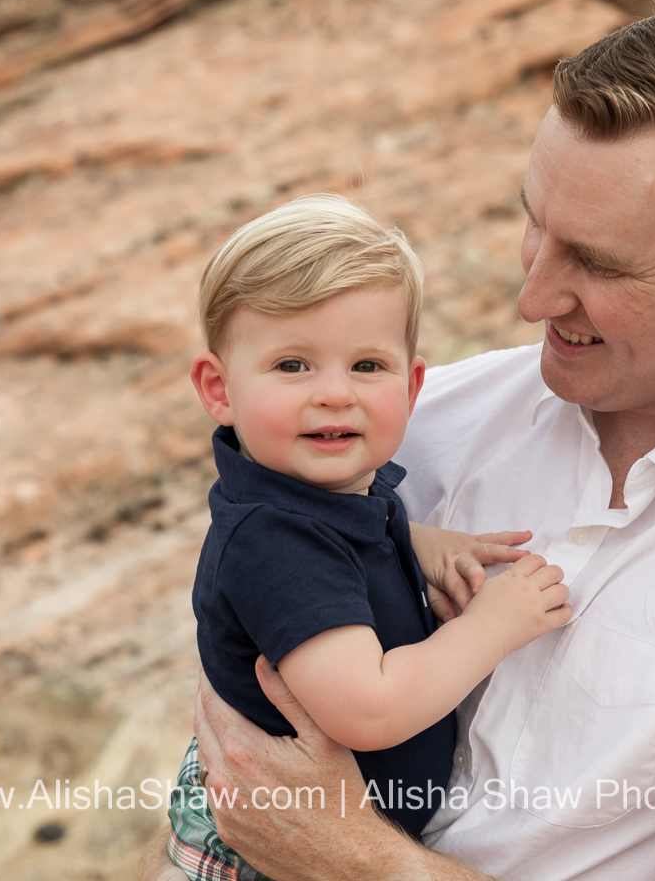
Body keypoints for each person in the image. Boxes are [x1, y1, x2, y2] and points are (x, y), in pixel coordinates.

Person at [142, 6, 655, 881]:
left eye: (600, 263)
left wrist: (361, 862)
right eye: (534, 223)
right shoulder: (425, 423)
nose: (532, 298)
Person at [169, 194, 572, 879]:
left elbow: (350, 538)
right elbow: (372, 708)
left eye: (367, 366)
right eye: (293, 365)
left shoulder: (331, 492)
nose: (334, 393)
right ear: (219, 389)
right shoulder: (274, 539)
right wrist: (494, 627)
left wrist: (417, 542)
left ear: (413, 386)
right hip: (261, 860)